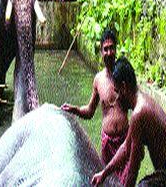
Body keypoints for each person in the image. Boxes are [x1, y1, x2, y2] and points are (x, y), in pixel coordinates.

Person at [61, 29, 130, 185]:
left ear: (116, 49)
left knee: (125, 183)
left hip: (125, 140)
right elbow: (90, 111)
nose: (109, 52)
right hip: (107, 143)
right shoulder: (98, 80)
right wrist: (74, 109)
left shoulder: (124, 76)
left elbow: (135, 102)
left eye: (112, 48)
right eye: (105, 49)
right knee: (107, 182)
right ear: (101, 52)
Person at [92, 57, 166, 187]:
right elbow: (126, 148)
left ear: (124, 87)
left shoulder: (139, 113)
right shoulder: (142, 103)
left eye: (117, 92)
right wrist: (104, 173)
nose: (116, 99)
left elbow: (133, 166)